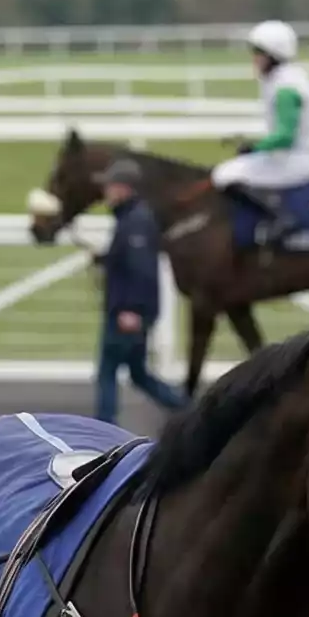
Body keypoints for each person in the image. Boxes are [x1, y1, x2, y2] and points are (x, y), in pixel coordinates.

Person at [209, 21, 309, 248]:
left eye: (258, 53)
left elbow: (285, 136)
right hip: (296, 155)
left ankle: (281, 217)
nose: (253, 58)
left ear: (273, 55)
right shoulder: (285, 78)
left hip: (298, 160)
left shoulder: (286, 87)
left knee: (224, 175)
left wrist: (255, 147)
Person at [92, 159, 182, 424]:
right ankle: (192, 412)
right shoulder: (133, 219)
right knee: (138, 374)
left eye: (109, 186)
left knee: (107, 372)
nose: (105, 192)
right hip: (130, 312)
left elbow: (141, 271)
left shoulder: (135, 222)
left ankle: (104, 430)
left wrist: (131, 310)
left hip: (127, 314)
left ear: (123, 188)